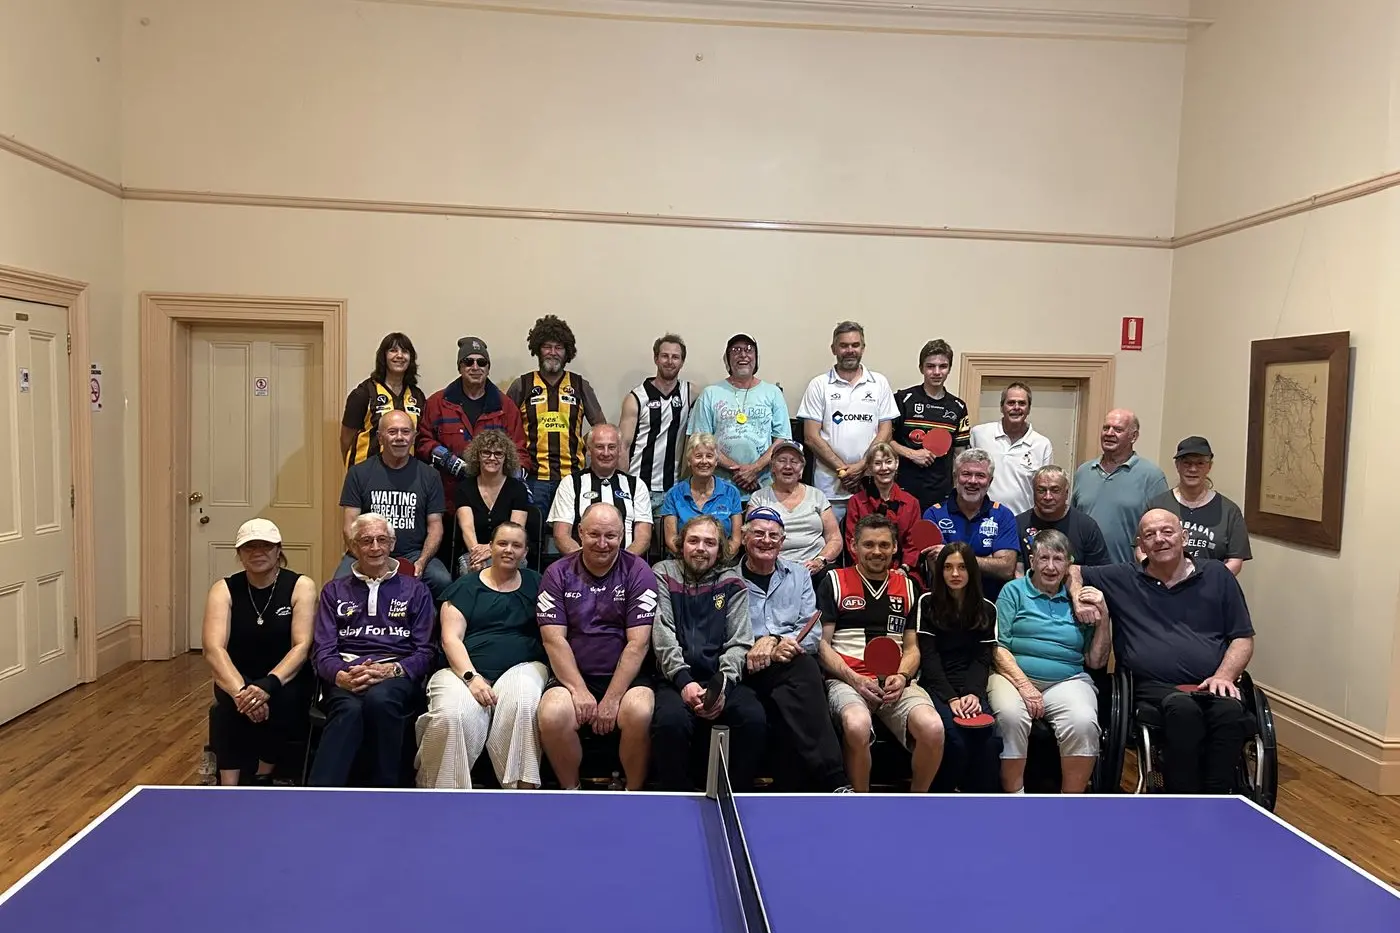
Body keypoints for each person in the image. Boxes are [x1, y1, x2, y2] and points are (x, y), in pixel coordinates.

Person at [1073, 510, 1255, 795]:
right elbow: (1073, 570)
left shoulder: (1217, 575)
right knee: (1181, 709)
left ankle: (1218, 799)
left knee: (1230, 713)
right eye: (1149, 535)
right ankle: (1181, 799)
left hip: (1212, 682)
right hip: (1151, 687)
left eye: (1167, 532)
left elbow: (1242, 638)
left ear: (1184, 537)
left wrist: (1225, 675)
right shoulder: (1124, 577)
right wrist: (1078, 597)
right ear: (1141, 547)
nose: (1159, 539)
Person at [416, 523, 549, 789]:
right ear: (490, 547)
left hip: (524, 667)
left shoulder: (539, 584)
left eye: (516, 545)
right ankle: (443, 795)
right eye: (502, 544)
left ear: (525, 552)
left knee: (523, 703)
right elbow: (450, 639)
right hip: (463, 670)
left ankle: (520, 790)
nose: (508, 550)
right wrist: (471, 678)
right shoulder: (464, 587)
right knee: (451, 715)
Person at [817, 515, 944, 793]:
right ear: (854, 546)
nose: (877, 551)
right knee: (857, 724)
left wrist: (902, 675)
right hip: (847, 679)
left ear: (895, 547)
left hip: (895, 683)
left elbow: (911, 648)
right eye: (869, 544)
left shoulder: (909, 586)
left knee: (933, 728)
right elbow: (822, 645)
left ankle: (917, 801)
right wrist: (854, 679)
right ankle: (861, 803)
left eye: (884, 545)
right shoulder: (834, 581)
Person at [536, 504, 658, 790]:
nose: (602, 544)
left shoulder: (639, 571)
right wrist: (579, 691)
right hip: (573, 676)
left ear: (622, 536)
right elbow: (554, 639)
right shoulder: (556, 573)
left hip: (626, 678)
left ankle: (634, 792)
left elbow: (638, 643)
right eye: (594, 534)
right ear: (579, 532)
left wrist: (613, 699)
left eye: (611, 536)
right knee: (553, 714)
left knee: (639, 711)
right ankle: (572, 790)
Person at [309, 513, 436, 787]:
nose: (375, 547)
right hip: (346, 673)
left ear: (392, 543)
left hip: (395, 674)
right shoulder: (333, 591)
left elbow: (425, 651)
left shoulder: (416, 591)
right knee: (348, 710)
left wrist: (392, 670)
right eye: (366, 541)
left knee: (381, 700)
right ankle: (320, 796)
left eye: (381, 540)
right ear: (354, 547)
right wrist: (342, 675)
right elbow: (322, 651)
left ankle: (386, 790)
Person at [651, 515, 766, 790]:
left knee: (753, 718)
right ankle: (677, 797)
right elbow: (662, 633)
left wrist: (721, 687)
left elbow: (739, 642)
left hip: (720, 678)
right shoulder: (663, 573)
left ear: (720, 549)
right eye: (693, 540)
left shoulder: (733, 583)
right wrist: (683, 680)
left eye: (709, 542)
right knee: (670, 722)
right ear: (681, 545)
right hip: (674, 678)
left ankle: (735, 793)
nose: (701, 548)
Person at [740, 508, 851, 792]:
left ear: (782, 541)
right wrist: (758, 646)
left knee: (803, 669)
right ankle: (831, 779)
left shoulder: (799, 575)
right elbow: (724, 633)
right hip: (743, 665)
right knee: (801, 675)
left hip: (787, 661)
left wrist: (775, 641)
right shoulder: (729, 579)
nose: (766, 540)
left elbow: (811, 633)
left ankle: (819, 784)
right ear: (743, 538)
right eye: (758, 534)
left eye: (773, 536)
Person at [990, 530, 1110, 794]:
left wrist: (1104, 618)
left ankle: (1070, 802)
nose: (1051, 567)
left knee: (1083, 720)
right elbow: (997, 648)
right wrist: (1024, 686)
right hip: (1013, 676)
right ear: (1032, 561)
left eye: (1058, 559)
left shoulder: (1080, 599)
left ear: (1069, 564)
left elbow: (1096, 661)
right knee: (1011, 715)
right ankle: (1015, 798)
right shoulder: (1013, 591)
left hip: (1067, 680)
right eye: (1044, 558)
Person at [201, 518, 316, 786]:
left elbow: (302, 646)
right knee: (226, 709)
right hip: (237, 677)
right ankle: (228, 785)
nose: (257, 553)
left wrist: (268, 685)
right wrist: (242, 693)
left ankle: (263, 776)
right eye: (249, 548)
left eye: (265, 546)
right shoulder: (224, 589)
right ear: (239, 554)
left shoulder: (301, 586)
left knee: (284, 701)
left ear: (279, 551)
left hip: (285, 677)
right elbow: (213, 648)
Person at [338, 410, 451, 600]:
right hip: (366, 551)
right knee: (339, 583)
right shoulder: (358, 473)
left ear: (414, 437)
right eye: (392, 432)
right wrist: (365, 558)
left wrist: (422, 561)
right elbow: (349, 525)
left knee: (443, 581)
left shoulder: (430, 476)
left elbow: (435, 526)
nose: (400, 438)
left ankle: (429, 626)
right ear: (380, 438)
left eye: (405, 432)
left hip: (413, 554)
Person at [916, 542, 1001, 793]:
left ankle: (980, 804)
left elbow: (982, 658)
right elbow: (929, 658)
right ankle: (939, 800)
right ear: (940, 571)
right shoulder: (927, 603)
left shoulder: (987, 608)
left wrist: (973, 694)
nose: (955, 574)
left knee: (989, 740)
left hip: (971, 685)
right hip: (937, 684)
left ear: (971, 571)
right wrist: (951, 697)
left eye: (962, 567)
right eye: (948, 567)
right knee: (954, 740)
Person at [415, 336, 531, 514]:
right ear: (460, 367)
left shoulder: (505, 407)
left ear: (488, 368)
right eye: (468, 362)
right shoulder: (437, 403)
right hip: (446, 503)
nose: (475, 367)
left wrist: (517, 482)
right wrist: (447, 460)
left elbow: (520, 451)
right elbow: (422, 442)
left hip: (493, 506)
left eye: (481, 362)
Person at [797, 321, 899, 519]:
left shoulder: (879, 383)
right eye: (844, 345)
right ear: (834, 348)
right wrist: (843, 471)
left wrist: (862, 466)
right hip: (829, 487)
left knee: (869, 544)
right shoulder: (819, 385)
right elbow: (810, 436)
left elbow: (885, 431)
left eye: (855, 345)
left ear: (863, 347)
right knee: (832, 545)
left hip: (870, 481)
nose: (850, 350)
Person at [505, 315, 607, 509]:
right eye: (547, 347)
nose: (553, 352)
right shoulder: (522, 385)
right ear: (537, 349)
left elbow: (601, 429)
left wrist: (583, 445)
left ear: (567, 352)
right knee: (534, 534)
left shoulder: (580, 385)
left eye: (559, 347)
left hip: (572, 478)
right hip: (534, 478)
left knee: (570, 532)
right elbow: (505, 429)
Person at [689, 333, 792, 499]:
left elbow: (782, 439)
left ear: (756, 358)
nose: (743, 354)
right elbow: (700, 440)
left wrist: (755, 468)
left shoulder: (772, 393)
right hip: (719, 487)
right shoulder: (710, 393)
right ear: (727, 360)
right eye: (736, 350)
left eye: (748, 350)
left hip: (762, 487)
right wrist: (738, 470)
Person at [1071, 408, 1169, 563]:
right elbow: (1073, 522)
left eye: (1118, 429)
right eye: (1106, 428)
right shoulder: (1083, 472)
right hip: (1085, 573)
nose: (1109, 433)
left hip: (1128, 575)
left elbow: (1163, 531)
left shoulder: (1151, 476)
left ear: (1133, 436)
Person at [920, 449, 1019, 600]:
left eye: (980, 475)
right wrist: (989, 560)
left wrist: (952, 556)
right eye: (966, 474)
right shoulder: (933, 514)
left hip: (991, 605)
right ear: (955, 477)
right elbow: (938, 568)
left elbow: (1006, 569)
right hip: (945, 604)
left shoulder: (1003, 515)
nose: (972, 481)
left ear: (990, 481)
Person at [1145, 436, 1251, 575]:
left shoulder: (1229, 511)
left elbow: (1235, 560)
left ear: (1209, 467)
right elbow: (1141, 550)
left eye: (1200, 463)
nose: (1193, 469)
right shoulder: (1157, 505)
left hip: (1211, 590)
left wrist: (1212, 582)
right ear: (1177, 466)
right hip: (1162, 586)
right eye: (1186, 463)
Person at [548, 424, 654, 556]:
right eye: (599, 447)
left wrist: (622, 565)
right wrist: (586, 565)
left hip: (626, 570)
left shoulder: (636, 485)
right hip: (580, 568)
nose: (606, 453)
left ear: (619, 450)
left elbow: (643, 538)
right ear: (588, 450)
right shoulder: (570, 483)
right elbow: (561, 536)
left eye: (611, 447)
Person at [891, 339, 971, 512]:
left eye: (943, 366)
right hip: (904, 490)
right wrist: (912, 454)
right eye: (930, 366)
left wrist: (960, 491)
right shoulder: (903, 399)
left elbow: (960, 455)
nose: (937, 372)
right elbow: (884, 440)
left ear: (949, 368)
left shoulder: (958, 407)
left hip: (942, 494)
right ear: (921, 368)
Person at [746, 440, 843, 575]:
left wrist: (820, 561)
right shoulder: (759, 498)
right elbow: (750, 538)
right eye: (782, 460)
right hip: (773, 568)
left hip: (816, 568)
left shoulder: (817, 496)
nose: (788, 466)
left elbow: (835, 538)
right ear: (772, 467)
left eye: (794, 461)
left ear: (801, 469)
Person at [620, 333, 697, 498]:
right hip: (638, 484)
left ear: (682, 362)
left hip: (673, 487)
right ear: (656, 359)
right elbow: (623, 446)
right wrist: (623, 485)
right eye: (665, 356)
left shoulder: (690, 392)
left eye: (675, 357)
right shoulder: (636, 397)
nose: (670, 361)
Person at [968, 382, 1053, 515]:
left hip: (1021, 521)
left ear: (1029, 409)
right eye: (1011, 403)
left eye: (1022, 403)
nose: (1016, 407)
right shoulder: (979, 434)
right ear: (1002, 407)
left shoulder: (1042, 445)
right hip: (980, 518)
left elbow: (1044, 489)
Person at [341, 332, 425, 467]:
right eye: (393, 350)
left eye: (405, 351)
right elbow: (346, 439)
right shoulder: (363, 394)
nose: (399, 355)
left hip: (405, 473)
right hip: (366, 472)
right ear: (383, 357)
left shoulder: (417, 396)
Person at [453, 430, 530, 577]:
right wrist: (476, 553)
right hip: (473, 551)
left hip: (508, 551)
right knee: (472, 568)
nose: (492, 458)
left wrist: (491, 550)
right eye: (486, 453)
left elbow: (516, 531)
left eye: (498, 454)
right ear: (477, 456)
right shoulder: (465, 488)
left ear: (506, 458)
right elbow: (467, 528)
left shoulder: (518, 489)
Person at [1015, 465, 1111, 574]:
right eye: (1041, 490)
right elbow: (1016, 573)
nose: (1048, 497)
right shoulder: (1018, 525)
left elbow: (1100, 573)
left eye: (1055, 490)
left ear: (1066, 493)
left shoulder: (1086, 526)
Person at [659, 433, 742, 556]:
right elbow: (671, 540)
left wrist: (716, 560)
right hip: (683, 562)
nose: (704, 461)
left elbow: (735, 540)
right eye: (698, 456)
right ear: (689, 461)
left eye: (709, 456)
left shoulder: (731, 493)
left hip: (721, 564)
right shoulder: (674, 494)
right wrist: (693, 559)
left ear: (716, 461)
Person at [843, 441, 922, 571]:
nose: (884, 468)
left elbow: (912, 544)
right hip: (864, 567)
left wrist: (903, 568)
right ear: (869, 468)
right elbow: (853, 540)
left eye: (888, 462)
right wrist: (869, 568)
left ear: (896, 464)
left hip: (902, 569)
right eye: (878, 463)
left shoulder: (912, 503)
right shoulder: (856, 502)